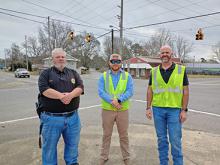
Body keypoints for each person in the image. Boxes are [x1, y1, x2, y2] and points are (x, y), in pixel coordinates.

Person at [38, 48, 84, 165]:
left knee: (73, 145)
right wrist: (61, 96)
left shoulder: (73, 73)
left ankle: (72, 162)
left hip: (73, 118)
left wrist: (70, 95)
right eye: (58, 57)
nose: (61, 59)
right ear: (53, 59)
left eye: (63, 57)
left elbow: (80, 87)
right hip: (51, 119)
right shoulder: (45, 74)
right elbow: (44, 90)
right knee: (49, 148)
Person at [146, 45, 189, 165]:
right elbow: (150, 90)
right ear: (160, 55)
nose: (164, 54)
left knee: (175, 140)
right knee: (161, 139)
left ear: (171, 54)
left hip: (174, 110)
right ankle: (163, 162)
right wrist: (148, 107)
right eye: (162, 52)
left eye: (167, 52)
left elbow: (185, 91)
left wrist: (184, 110)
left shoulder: (181, 70)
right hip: (158, 109)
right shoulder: (153, 71)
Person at [98, 54, 134, 165]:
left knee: (123, 135)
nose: (115, 63)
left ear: (121, 62)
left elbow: (130, 91)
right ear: (109, 62)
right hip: (107, 110)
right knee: (106, 134)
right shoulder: (103, 76)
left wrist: (118, 100)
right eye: (113, 61)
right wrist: (112, 101)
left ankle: (126, 157)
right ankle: (104, 156)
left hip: (122, 109)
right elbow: (101, 91)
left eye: (117, 61)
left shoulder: (127, 76)